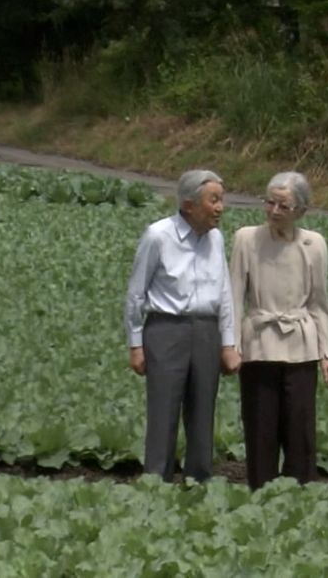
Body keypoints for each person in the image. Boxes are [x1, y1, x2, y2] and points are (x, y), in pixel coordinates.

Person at [124, 169, 241, 482]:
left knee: (203, 411)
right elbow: (136, 293)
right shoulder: (158, 235)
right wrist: (136, 344)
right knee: (164, 410)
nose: (220, 207)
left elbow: (224, 292)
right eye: (213, 200)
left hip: (206, 330)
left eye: (221, 200)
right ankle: (156, 481)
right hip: (166, 329)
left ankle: (199, 481)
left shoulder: (215, 239)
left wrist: (228, 343)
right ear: (189, 205)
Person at [229, 171, 328, 489]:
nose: (274, 211)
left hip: (301, 346)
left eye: (283, 206)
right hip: (259, 343)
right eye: (270, 202)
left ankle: (300, 492)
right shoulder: (246, 239)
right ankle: (260, 492)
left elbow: (319, 303)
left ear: (301, 211)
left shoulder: (314, 244)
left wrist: (326, 353)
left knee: (300, 428)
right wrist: (232, 346)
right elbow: (234, 296)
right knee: (261, 427)